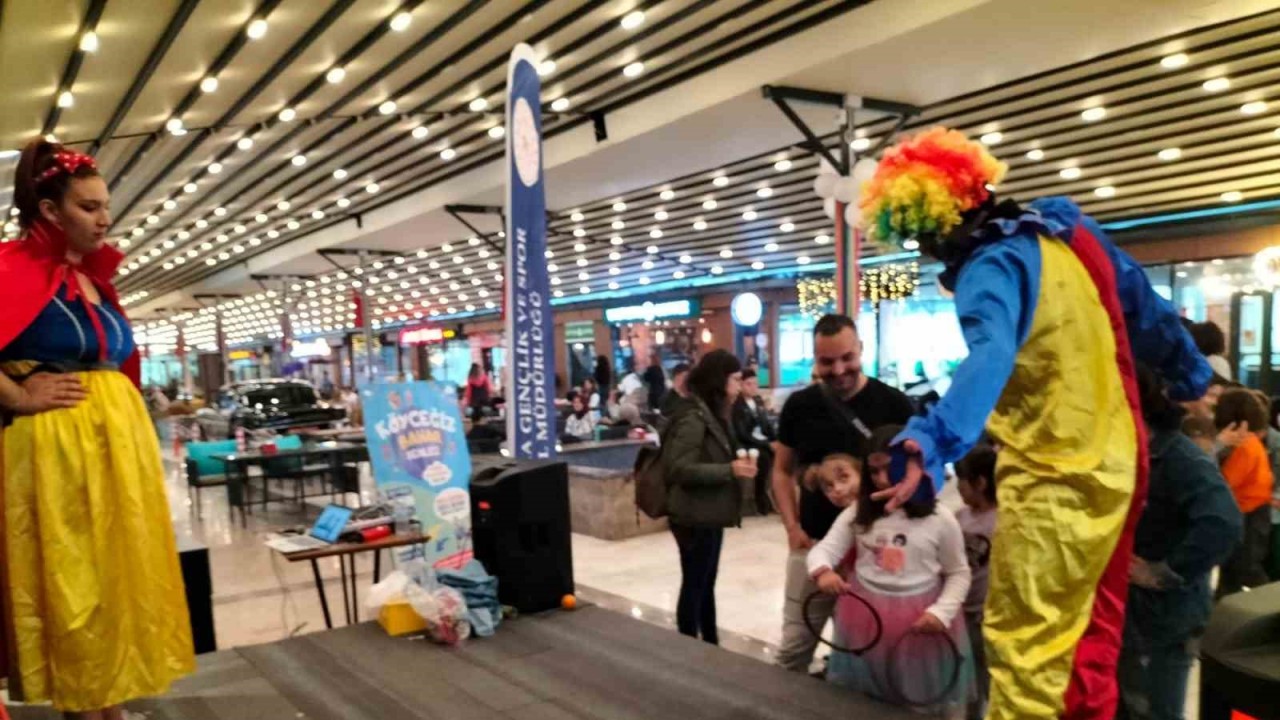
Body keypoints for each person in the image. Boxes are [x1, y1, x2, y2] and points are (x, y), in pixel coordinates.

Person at [858, 127, 1209, 719]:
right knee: (1088, 640)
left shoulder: (988, 270)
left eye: (920, 236)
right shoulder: (1065, 232)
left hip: (1054, 478)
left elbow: (991, 353)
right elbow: (1143, 305)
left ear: (937, 225)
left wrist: (933, 438)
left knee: (1024, 645)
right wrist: (1190, 372)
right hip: (1118, 464)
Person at [0, 140, 194, 715]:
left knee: (116, 576)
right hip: (57, 446)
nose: (104, 218)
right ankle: (86, 707)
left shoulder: (90, 278)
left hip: (114, 446)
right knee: (73, 577)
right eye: (88, 207)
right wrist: (19, 394)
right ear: (50, 211)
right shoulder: (10, 269)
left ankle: (110, 702)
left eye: (106, 205)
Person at [770, 313, 914, 673]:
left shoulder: (894, 404)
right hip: (813, 544)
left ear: (861, 349)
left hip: (873, 549)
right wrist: (791, 527)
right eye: (827, 361)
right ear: (815, 360)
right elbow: (781, 470)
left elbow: (914, 474)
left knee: (864, 652)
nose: (838, 370)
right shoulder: (800, 406)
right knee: (793, 648)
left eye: (847, 358)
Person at [809, 426, 973, 715]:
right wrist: (823, 571)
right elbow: (825, 549)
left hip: (921, 619)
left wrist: (942, 612)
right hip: (864, 615)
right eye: (874, 471)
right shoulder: (858, 514)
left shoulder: (940, 518)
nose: (882, 479)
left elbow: (958, 572)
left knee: (916, 698)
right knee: (865, 698)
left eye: (890, 468)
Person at [1116, 367, 1240, 720]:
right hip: (1134, 618)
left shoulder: (1178, 458)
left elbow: (1222, 523)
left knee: (1155, 710)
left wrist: (1163, 572)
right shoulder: (1141, 452)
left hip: (1162, 621)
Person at [663, 350, 754, 645]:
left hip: (708, 512)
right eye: (735, 380)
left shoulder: (713, 413)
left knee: (705, 582)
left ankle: (710, 643)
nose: (739, 387)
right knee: (695, 583)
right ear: (720, 381)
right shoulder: (693, 417)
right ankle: (689, 646)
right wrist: (728, 470)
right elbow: (678, 468)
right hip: (693, 516)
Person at [1213, 388, 1274, 597]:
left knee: (1245, 568)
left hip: (1248, 514)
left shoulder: (1245, 446)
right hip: (1254, 511)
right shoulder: (1252, 443)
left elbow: (1224, 483)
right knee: (1237, 570)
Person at [954, 444, 998, 720]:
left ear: (980, 483)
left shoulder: (1003, 521)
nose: (957, 487)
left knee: (988, 675)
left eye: (962, 481)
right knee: (967, 677)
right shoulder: (960, 517)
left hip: (986, 614)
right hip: (961, 611)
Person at [733, 367, 776, 515]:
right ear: (741, 385)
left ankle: (776, 496)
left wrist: (776, 440)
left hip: (762, 441)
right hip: (748, 443)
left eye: (755, 384)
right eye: (749, 384)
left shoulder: (758, 402)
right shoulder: (737, 405)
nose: (753, 387)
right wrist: (767, 444)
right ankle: (760, 496)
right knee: (763, 456)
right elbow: (742, 434)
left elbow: (767, 426)